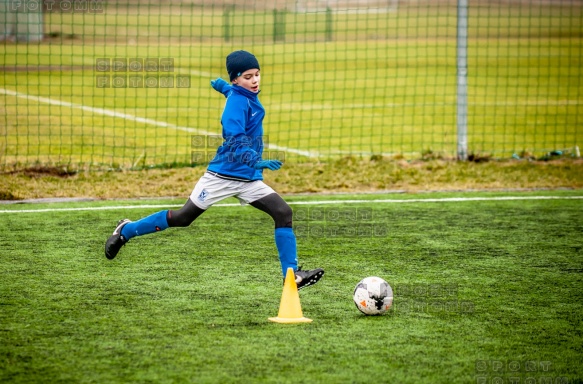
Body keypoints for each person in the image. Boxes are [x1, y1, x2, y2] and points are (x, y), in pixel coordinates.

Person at [104, 50, 324, 290]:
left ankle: (291, 276)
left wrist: (222, 87)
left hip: (248, 178)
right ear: (236, 79)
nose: (255, 80)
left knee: (283, 212)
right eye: (248, 76)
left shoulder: (241, 93)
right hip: (222, 175)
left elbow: (232, 92)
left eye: (257, 74)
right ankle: (127, 230)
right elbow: (235, 138)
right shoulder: (236, 104)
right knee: (183, 218)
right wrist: (255, 160)